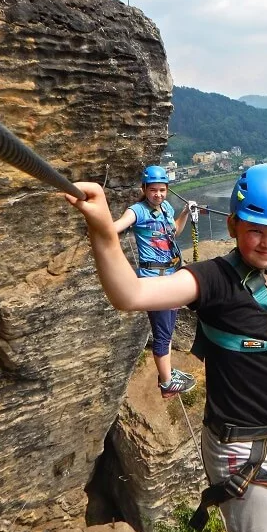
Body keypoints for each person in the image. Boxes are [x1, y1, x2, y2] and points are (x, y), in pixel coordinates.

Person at [66, 164, 267, 532]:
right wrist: (102, 230)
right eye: (255, 230)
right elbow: (131, 295)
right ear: (233, 226)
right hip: (241, 447)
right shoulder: (212, 279)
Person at [113, 165, 196, 398]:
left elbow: (174, 232)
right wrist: (100, 225)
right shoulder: (137, 211)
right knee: (162, 334)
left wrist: (185, 213)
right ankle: (167, 383)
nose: (158, 194)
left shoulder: (166, 208)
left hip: (170, 276)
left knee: (168, 332)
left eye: (162, 190)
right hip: (154, 280)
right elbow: (116, 227)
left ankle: (166, 373)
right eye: (153, 190)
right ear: (144, 189)